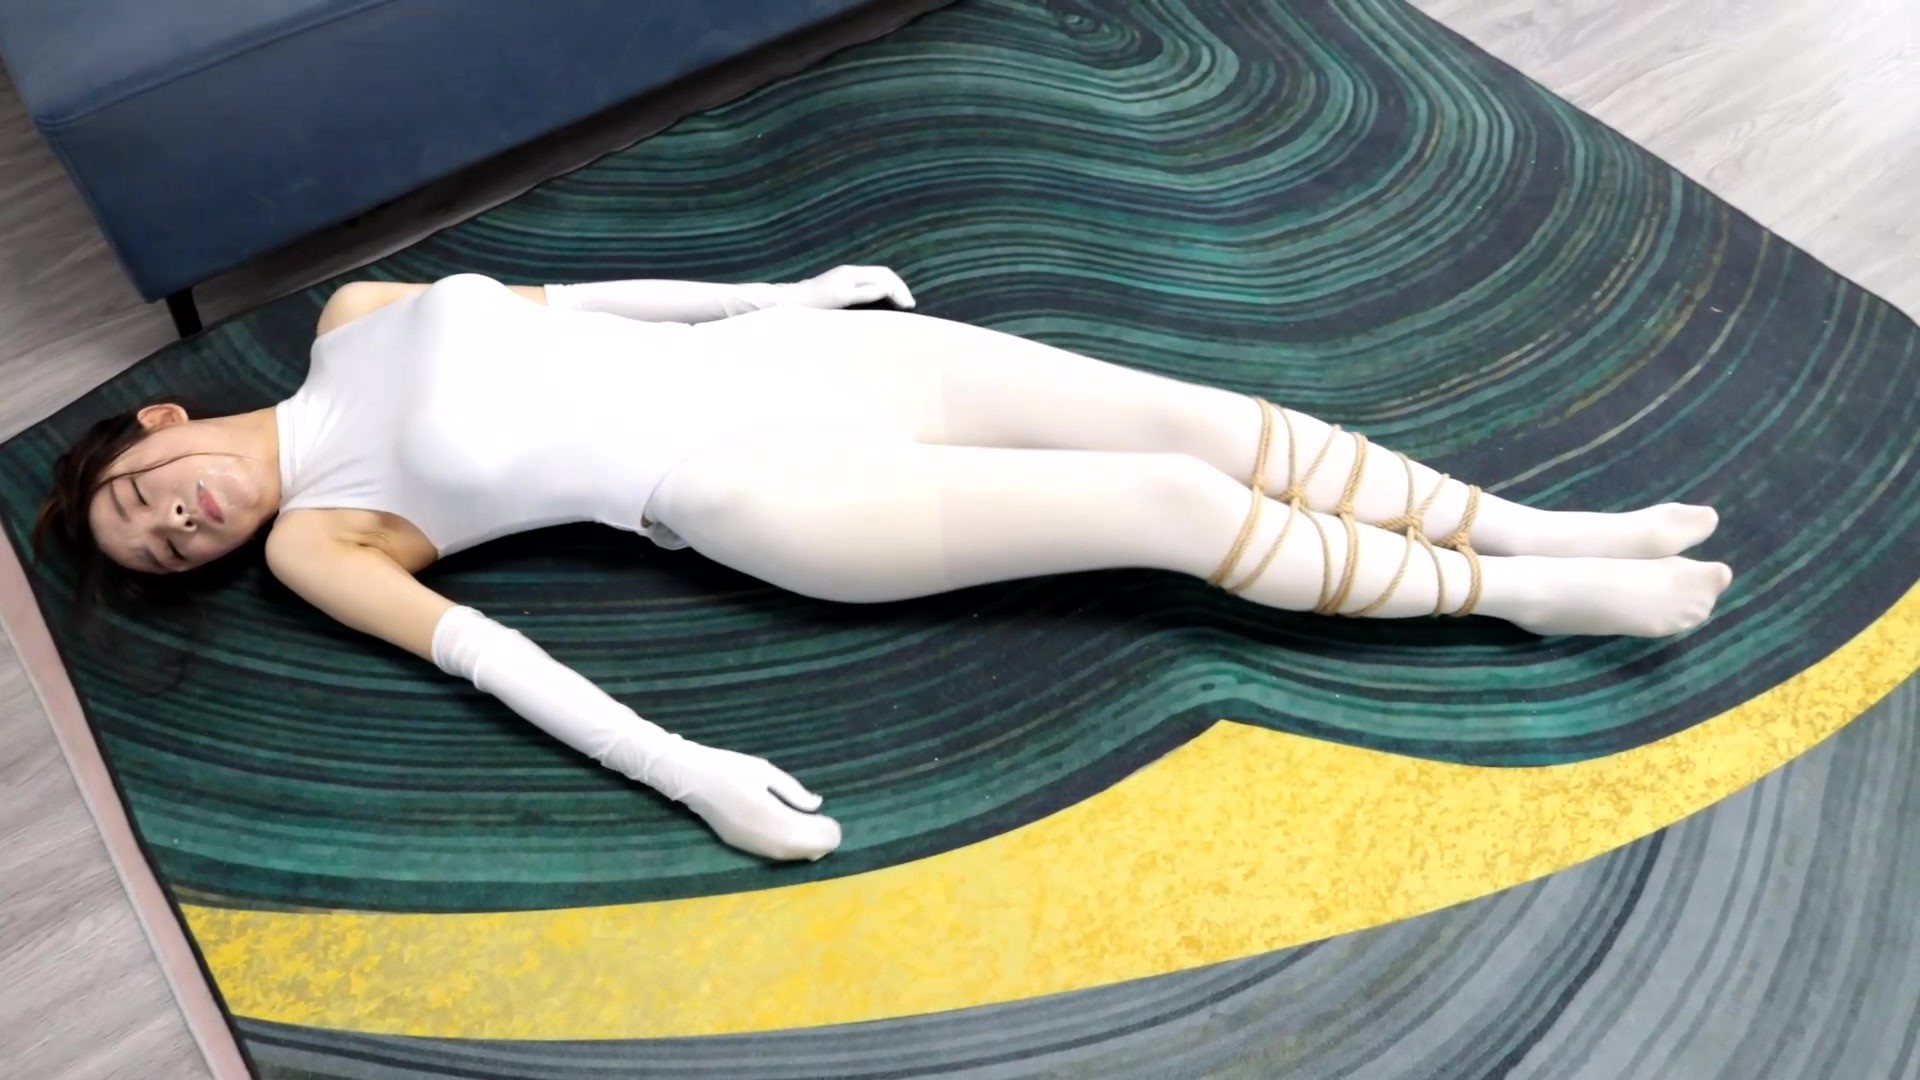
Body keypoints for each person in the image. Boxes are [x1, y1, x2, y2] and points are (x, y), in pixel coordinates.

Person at [33, 267, 1733, 862]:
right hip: (755, 491)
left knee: (1199, 417)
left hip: (796, 360)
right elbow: (501, 662)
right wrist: (691, 772)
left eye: (140, 496)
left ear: (157, 424)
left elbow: (582, 302)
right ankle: (1522, 596)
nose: (173, 524)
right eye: (159, 550)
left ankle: (1530, 524)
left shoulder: (354, 313)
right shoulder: (321, 545)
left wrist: (780, 296)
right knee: (1166, 502)